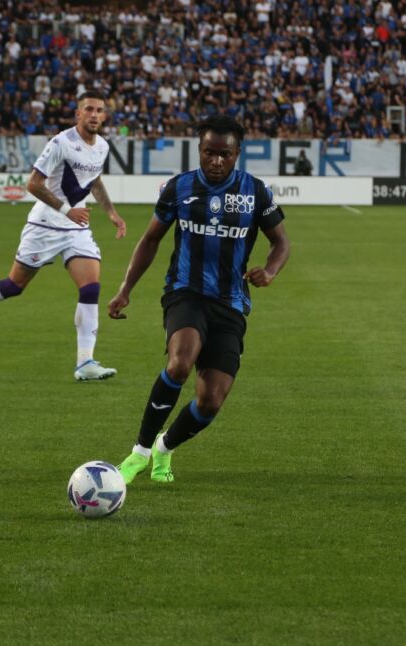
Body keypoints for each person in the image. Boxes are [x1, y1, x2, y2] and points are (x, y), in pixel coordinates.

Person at [108, 115, 290, 484]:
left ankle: (164, 447)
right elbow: (151, 240)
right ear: (199, 151)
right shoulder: (179, 188)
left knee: (210, 402)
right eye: (210, 152)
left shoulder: (255, 192)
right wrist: (126, 288)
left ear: (237, 154)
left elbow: (281, 242)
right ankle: (139, 452)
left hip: (231, 303)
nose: (217, 161)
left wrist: (270, 271)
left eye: (225, 154)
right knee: (180, 362)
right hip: (185, 293)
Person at [0, 91, 127, 381]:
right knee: (15, 285)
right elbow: (33, 184)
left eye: (99, 110)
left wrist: (111, 213)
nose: (94, 114)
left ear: (104, 116)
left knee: (91, 288)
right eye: (88, 109)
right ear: (78, 114)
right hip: (45, 225)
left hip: (76, 227)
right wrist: (66, 210)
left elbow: (95, 181)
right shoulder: (61, 143)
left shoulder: (101, 146)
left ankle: (85, 363)